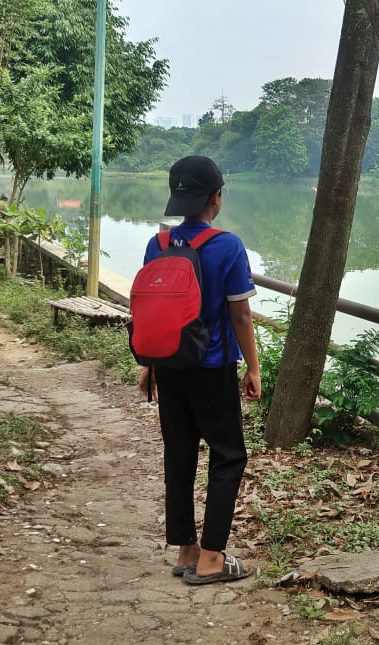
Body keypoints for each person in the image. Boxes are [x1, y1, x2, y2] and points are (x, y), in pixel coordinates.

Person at [137, 155, 261, 585]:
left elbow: (153, 312)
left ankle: (185, 548)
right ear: (216, 198)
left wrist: (150, 365)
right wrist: (254, 368)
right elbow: (240, 315)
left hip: (169, 366)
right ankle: (211, 558)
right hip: (212, 368)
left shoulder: (158, 244)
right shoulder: (228, 246)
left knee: (180, 453)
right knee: (229, 455)